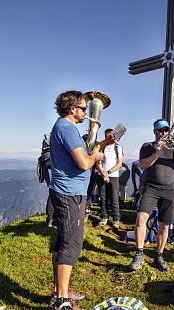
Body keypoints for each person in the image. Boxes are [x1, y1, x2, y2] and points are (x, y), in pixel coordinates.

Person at [48, 90, 110, 310]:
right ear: (72, 108)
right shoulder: (68, 129)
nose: (86, 112)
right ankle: (62, 300)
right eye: (84, 108)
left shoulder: (61, 127)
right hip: (70, 193)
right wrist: (97, 157)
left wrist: (101, 144)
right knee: (71, 245)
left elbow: (83, 154)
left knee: (63, 241)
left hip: (65, 191)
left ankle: (59, 292)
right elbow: (84, 163)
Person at [129, 119, 174, 272]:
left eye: (166, 130)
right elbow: (143, 165)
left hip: (168, 189)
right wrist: (157, 152)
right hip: (151, 187)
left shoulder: (173, 147)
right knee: (141, 218)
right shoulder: (147, 146)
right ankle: (139, 253)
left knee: (165, 224)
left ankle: (159, 255)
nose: (163, 133)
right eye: (160, 130)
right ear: (154, 131)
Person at [95, 128, 124, 229]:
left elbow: (119, 163)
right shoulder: (102, 147)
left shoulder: (118, 147)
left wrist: (108, 172)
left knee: (114, 198)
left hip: (114, 176)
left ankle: (116, 219)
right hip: (101, 175)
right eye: (107, 136)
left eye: (111, 136)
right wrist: (103, 172)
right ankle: (104, 217)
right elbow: (97, 161)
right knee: (102, 198)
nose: (110, 138)